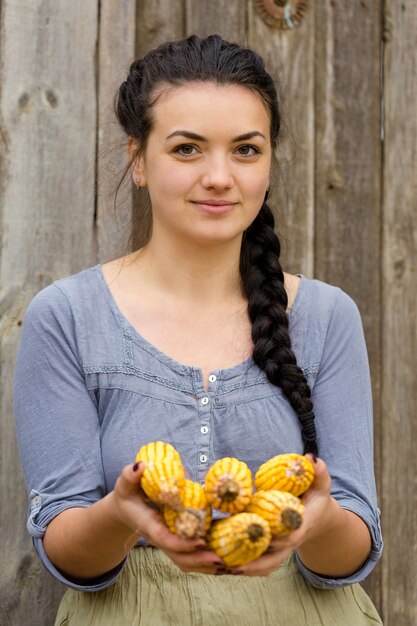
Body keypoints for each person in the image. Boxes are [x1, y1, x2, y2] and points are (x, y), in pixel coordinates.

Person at [13, 34, 383, 625]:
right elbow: (66, 553)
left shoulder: (327, 316)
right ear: (138, 159)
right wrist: (120, 513)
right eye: (187, 149)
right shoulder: (68, 317)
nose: (219, 176)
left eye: (245, 150)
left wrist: (316, 522)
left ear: (269, 160)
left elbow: (354, 548)